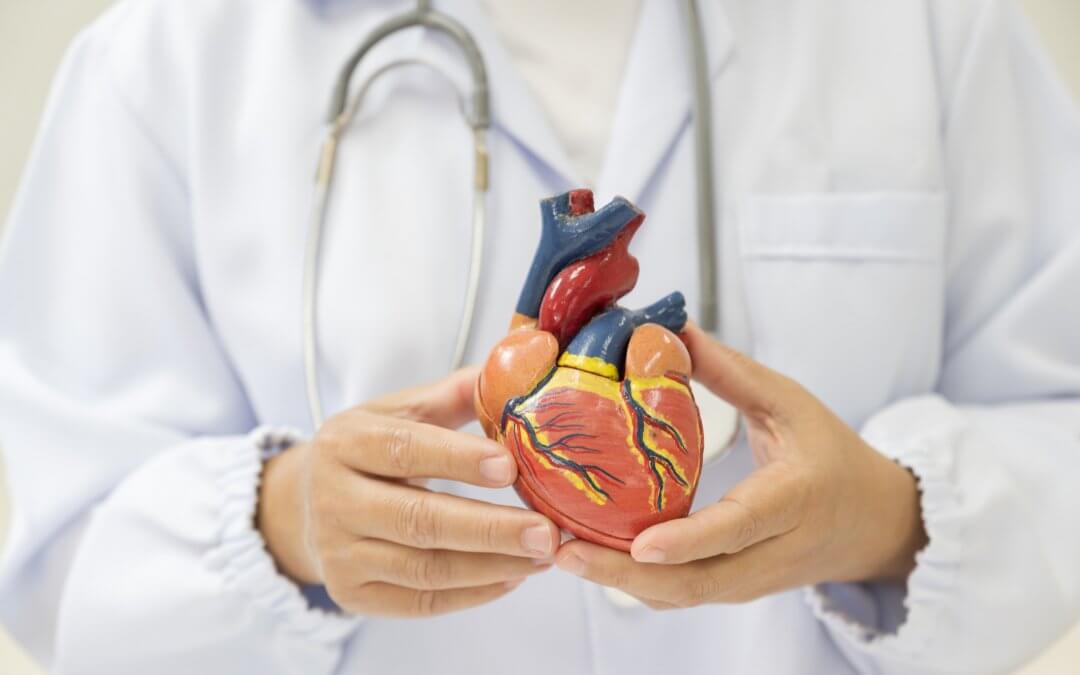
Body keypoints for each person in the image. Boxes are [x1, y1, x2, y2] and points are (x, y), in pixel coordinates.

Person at [1, 0, 1079, 673]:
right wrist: (286, 526)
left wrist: (889, 521)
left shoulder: (930, 25)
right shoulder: (175, 55)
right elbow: (71, 566)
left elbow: (1061, 428)